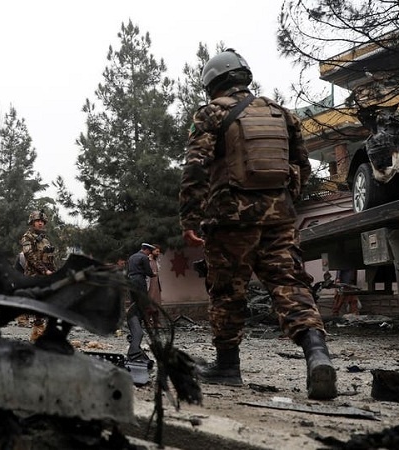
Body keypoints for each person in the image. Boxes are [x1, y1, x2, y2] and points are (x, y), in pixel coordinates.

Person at [179, 49, 337, 400]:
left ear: (212, 82)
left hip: (231, 220)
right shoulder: (282, 113)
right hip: (279, 218)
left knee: (227, 291)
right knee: (290, 283)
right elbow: (303, 166)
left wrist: (190, 217)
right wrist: (281, 201)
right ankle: (317, 354)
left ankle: (227, 366)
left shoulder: (211, 113)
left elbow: (195, 167)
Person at [20, 210, 57, 341]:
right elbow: (30, 256)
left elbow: (50, 258)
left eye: (42, 221)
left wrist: (53, 272)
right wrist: (44, 270)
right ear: (32, 222)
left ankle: (41, 333)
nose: (40, 223)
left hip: (46, 275)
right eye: (37, 221)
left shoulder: (45, 240)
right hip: (34, 275)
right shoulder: (27, 237)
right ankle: (37, 334)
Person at [125, 243, 156, 362]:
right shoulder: (144, 257)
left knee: (134, 301)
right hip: (139, 280)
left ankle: (135, 320)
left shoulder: (132, 257)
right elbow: (148, 271)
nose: (149, 253)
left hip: (131, 280)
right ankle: (139, 320)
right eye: (150, 251)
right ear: (146, 250)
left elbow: (128, 270)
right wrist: (153, 274)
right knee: (142, 301)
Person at [146, 245, 163, 328]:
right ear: (152, 251)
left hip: (156, 285)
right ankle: (148, 322)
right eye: (157, 251)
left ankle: (156, 322)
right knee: (149, 304)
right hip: (149, 286)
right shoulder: (147, 261)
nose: (158, 253)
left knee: (157, 304)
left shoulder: (157, 261)